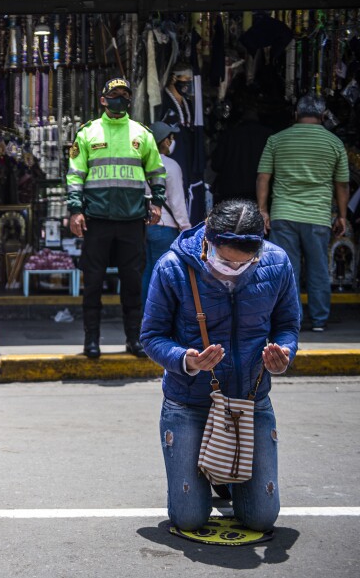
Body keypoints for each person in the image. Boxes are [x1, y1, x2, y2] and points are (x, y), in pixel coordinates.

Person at [141, 199, 300, 532]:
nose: (232, 270)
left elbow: (287, 324)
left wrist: (283, 354)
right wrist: (186, 360)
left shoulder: (278, 262)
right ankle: (211, 471)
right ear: (207, 241)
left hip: (250, 400)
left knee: (260, 517)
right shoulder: (172, 267)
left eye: (244, 265)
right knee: (188, 518)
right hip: (188, 403)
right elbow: (152, 336)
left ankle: (224, 472)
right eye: (224, 261)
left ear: (259, 249)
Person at [66, 77, 167, 358]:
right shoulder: (88, 133)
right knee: (93, 284)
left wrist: (157, 202)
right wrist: (75, 210)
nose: (119, 100)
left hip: (132, 220)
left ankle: (134, 340)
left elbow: (157, 171)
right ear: (103, 99)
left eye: (124, 95)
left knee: (132, 284)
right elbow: (75, 175)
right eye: (114, 95)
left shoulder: (141, 133)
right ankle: (91, 341)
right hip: (96, 219)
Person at [257, 94, 350, 333]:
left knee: (287, 269)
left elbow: (263, 177)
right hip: (317, 216)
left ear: (296, 115)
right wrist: (342, 215)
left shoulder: (276, 140)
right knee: (318, 269)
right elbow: (342, 184)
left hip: (283, 214)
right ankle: (319, 320)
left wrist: (262, 210)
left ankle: (291, 321)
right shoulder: (334, 143)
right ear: (322, 116)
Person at [142, 122, 192, 304]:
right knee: (163, 275)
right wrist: (186, 229)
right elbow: (177, 201)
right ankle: (159, 319)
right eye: (170, 138)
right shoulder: (170, 165)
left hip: (145, 226)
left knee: (147, 272)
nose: (172, 141)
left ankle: (144, 318)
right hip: (165, 227)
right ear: (163, 141)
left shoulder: (141, 163)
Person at [210, 96, 273, 204]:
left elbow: (216, 164)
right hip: (258, 194)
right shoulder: (269, 136)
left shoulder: (229, 135)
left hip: (230, 194)